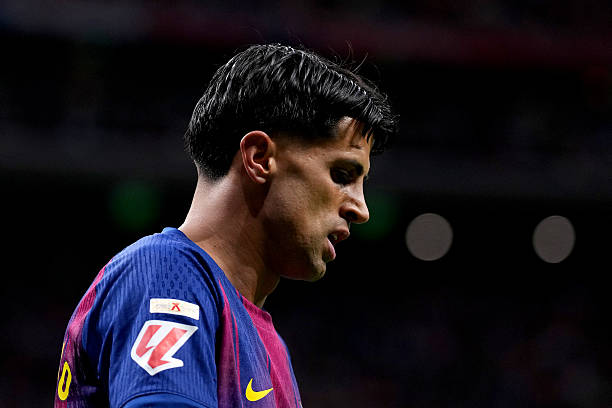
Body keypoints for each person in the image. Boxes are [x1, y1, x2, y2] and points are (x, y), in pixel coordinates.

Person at [54, 43, 398, 408]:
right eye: (342, 174)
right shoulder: (168, 274)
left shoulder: (269, 344)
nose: (361, 209)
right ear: (260, 158)